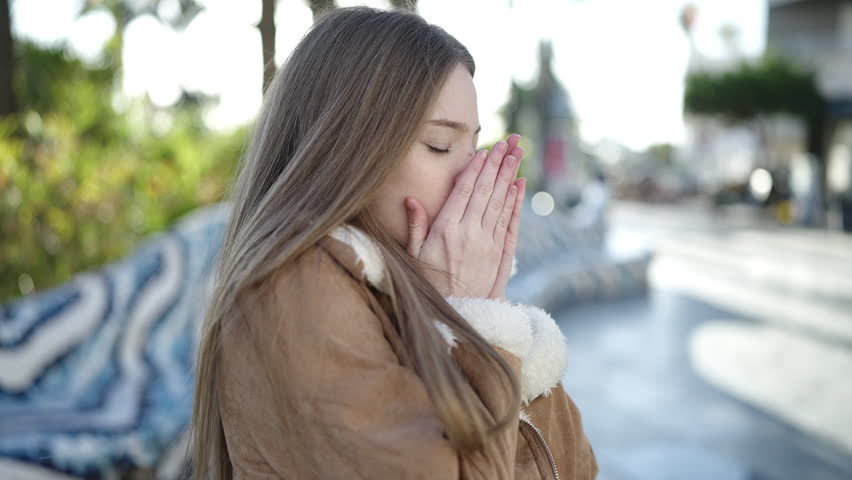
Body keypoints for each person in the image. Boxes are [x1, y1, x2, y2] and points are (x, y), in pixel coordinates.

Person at [189, 6, 598, 480]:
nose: (473, 173)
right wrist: (471, 318)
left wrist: (469, 308)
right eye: (441, 146)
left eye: (474, 147)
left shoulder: (424, 285)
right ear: (348, 150)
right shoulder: (295, 289)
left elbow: (578, 465)